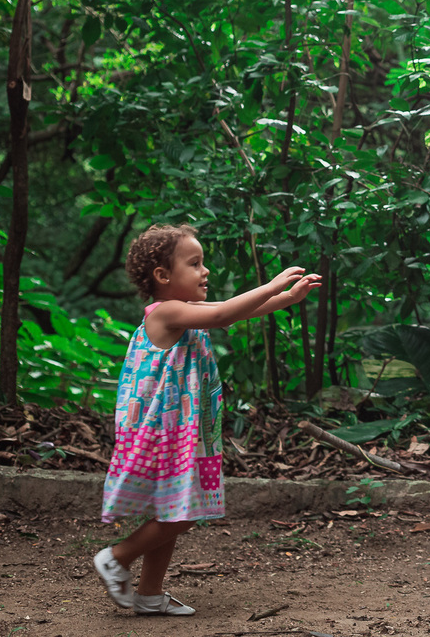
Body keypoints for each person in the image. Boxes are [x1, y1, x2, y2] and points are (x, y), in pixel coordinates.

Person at [93, 223, 320, 616]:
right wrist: (272, 285)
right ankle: (117, 557)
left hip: (182, 432)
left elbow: (231, 312)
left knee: (172, 509)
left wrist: (286, 298)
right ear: (163, 277)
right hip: (164, 432)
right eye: (195, 263)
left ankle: (148, 594)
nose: (206, 271)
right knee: (183, 513)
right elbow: (220, 314)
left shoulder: (186, 312)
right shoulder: (166, 312)